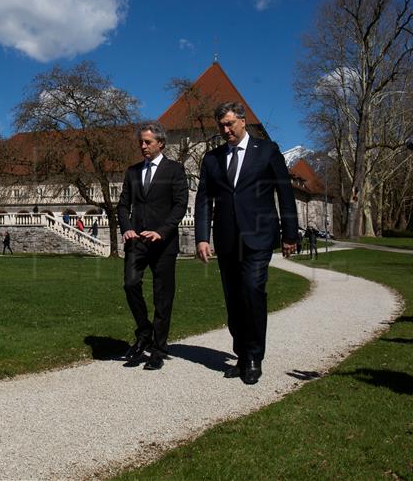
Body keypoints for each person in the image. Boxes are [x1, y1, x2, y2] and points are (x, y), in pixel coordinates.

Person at [195, 102, 298, 385]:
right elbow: (203, 199)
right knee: (234, 299)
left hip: (259, 236)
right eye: (221, 126)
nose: (225, 130)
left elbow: (285, 192)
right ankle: (241, 354)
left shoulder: (267, 150)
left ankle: (254, 356)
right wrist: (202, 237)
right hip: (227, 238)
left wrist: (290, 234)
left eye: (230, 124)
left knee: (252, 291)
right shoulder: (212, 159)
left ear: (243, 121)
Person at [118, 121, 188, 371]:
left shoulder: (175, 170)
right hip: (137, 241)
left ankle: (158, 348)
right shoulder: (132, 171)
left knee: (162, 297)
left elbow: (180, 205)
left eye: (148, 142)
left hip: (164, 243)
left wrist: (161, 231)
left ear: (160, 143)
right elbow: (123, 204)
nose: (143, 146)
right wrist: (126, 228)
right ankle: (144, 331)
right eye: (141, 142)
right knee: (130, 284)